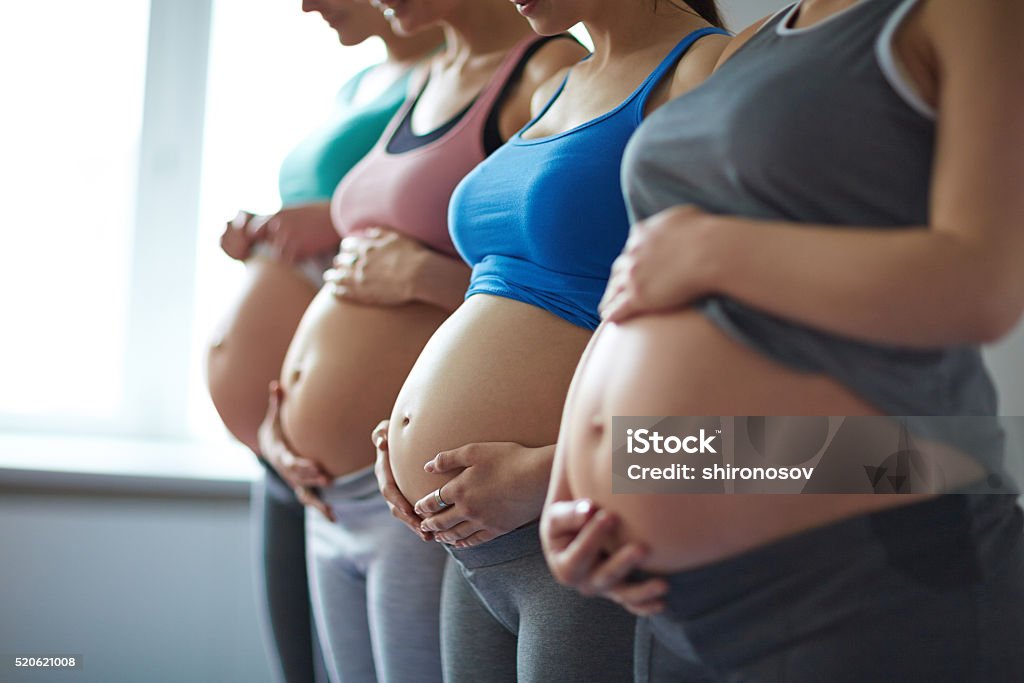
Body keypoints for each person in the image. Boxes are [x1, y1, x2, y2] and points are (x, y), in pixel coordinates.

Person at [541, 0, 1024, 680]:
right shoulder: (745, 48)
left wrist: (713, 249)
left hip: (864, 572)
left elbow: (983, 288)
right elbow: (639, 284)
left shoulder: (960, 12)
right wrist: (571, 488)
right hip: (672, 598)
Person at [372, 0, 729, 680]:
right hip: (474, 542)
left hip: (583, 529)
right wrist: (407, 427)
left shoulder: (708, 71)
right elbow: (497, 297)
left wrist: (549, 472)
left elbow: (730, 371)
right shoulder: (555, 84)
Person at [255, 0, 586, 680]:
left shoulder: (557, 70)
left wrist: (558, 469)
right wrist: (283, 418)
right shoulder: (427, 79)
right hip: (378, 485)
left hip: (477, 498)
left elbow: (561, 288)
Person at [205, 2, 440, 680]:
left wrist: (333, 221)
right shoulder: (357, 83)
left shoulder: (454, 77)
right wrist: (261, 234)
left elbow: (413, 223)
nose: (308, 4)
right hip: (284, 444)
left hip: (369, 460)